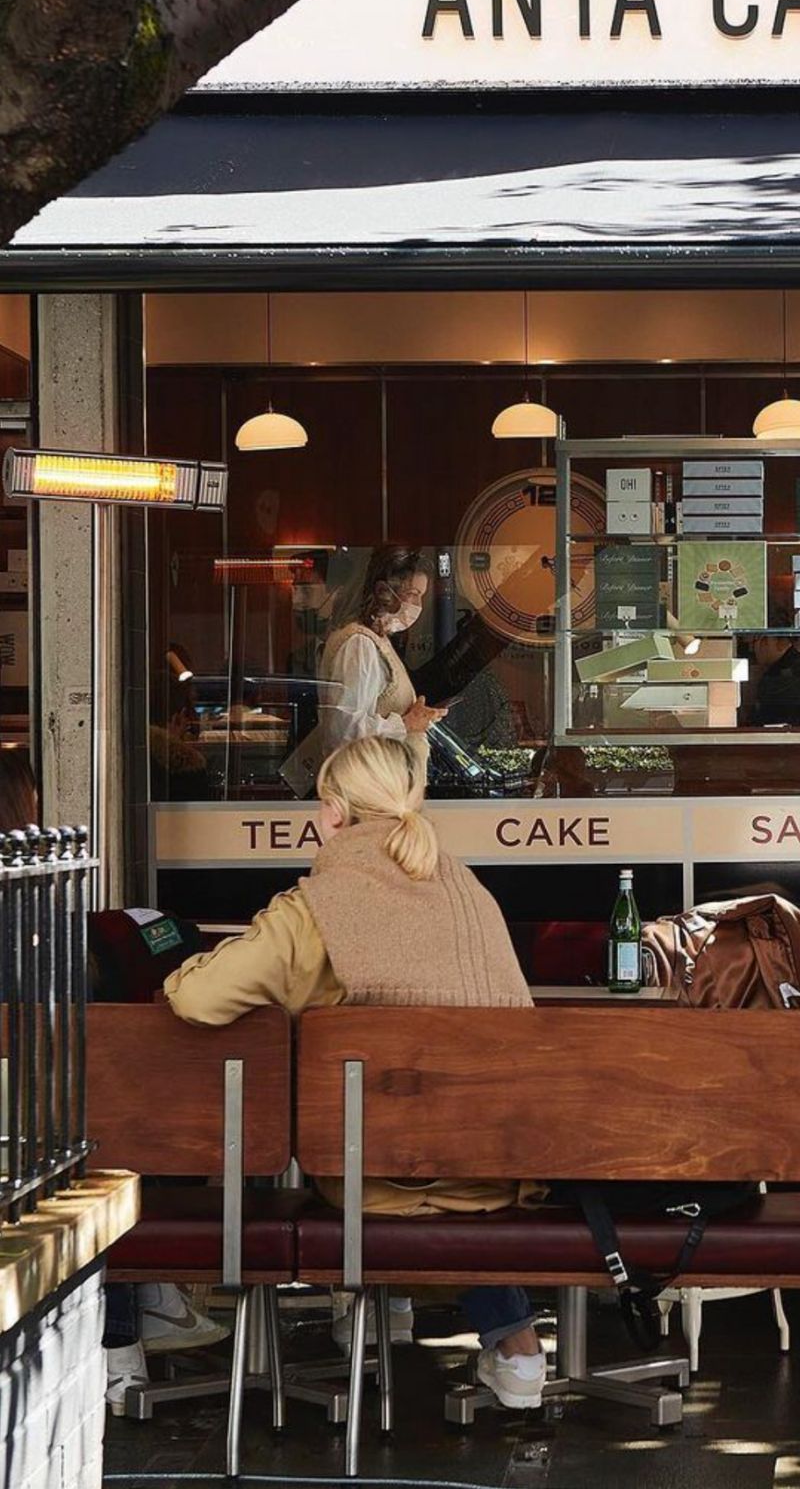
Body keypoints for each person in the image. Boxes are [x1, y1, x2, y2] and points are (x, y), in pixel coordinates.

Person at [157, 736, 549, 1411]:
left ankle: (361, 1318)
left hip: (370, 1188)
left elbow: (195, 1000)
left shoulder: (315, 909)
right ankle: (512, 1341)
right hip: (491, 1176)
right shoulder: (472, 896)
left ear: (333, 813)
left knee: (316, 1131)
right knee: (434, 1131)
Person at [281, 549, 443, 797]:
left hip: (383, 792)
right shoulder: (359, 644)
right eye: (412, 594)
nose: (416, 605)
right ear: (383, 592)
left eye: (420, 596)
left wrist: (416, 717)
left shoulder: (376, 639)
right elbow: (343, 731)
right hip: (371, 796)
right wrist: (406, 724)